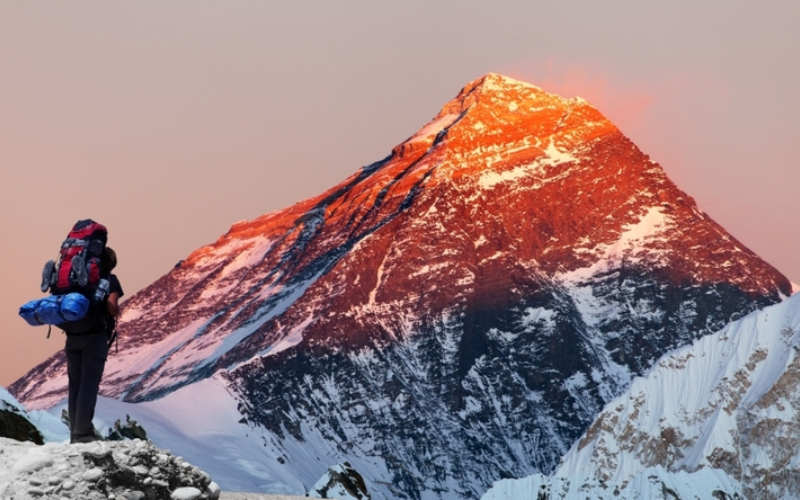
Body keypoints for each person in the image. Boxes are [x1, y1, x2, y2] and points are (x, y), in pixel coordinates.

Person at [64, 246, 124, 443]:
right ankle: (83, 433)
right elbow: (111, 306)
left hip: (72, 335)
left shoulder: (77, 280)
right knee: (88, 384)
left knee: (75, 384)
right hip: (95, 338)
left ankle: (75, 432)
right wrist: (116, 312)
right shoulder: (109, 279)